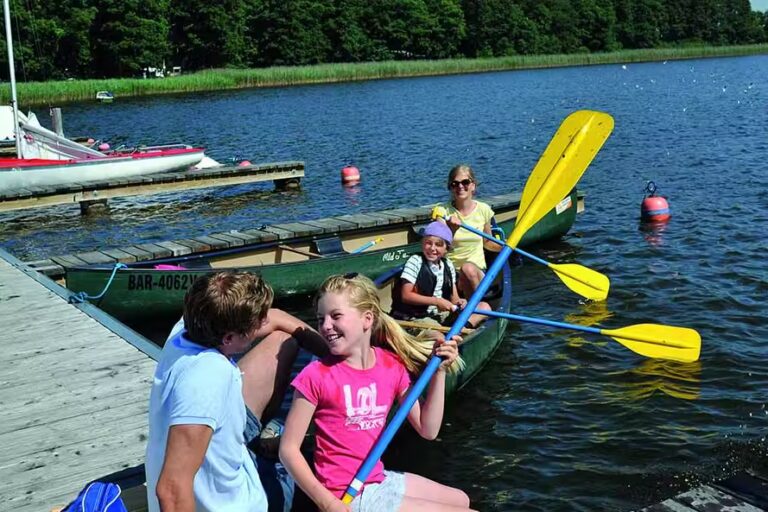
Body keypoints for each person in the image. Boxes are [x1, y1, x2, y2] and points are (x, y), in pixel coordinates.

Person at [279, 273, 476, 512]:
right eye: (321, 319)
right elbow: (288, 450)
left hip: (376, 478)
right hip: (346, 493)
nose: (326, 326)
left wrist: (439, 372)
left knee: (461, 499)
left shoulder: (391, 366)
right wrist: (327, 503)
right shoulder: (316, 375)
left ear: (367, 319)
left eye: (336, 316)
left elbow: (428, 429)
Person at [145, 271, 328, 512]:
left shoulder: (187, 327)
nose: (263, 324)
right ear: (229, 338)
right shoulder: (208, 377)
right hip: (236, 503)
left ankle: (260, 445)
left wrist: (336, 360)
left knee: (283, 339)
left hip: (220, 444)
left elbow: (275, 318)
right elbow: (171, 490)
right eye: (255, 325)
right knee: (319, 476)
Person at [391, 220, 490, 329]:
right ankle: (454, 332)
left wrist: (460, 302)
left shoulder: (448, 264)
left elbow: (454, 298)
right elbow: (406, 296)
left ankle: (460, 329)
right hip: (416, 317)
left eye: (438, 244)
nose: (432, 248)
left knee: (484, 307)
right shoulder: (415, 261)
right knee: (436, 333)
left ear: (446, 249)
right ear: (422, 244)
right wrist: (437, 301)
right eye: (428, 243)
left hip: (439, 315)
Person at [438, 164, 500, 296]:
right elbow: (439, 249)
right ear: (450, 187)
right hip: (451, 273)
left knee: (468, 269)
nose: (460, 186)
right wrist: (452, 231)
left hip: (476, 271)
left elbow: (488, 243)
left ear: (473, 185)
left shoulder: (484, 210)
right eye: (455, 184)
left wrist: (507, 247)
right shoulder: (442, 212)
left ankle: (476, 302)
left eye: (465, 182)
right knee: (465, 269)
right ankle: (477, 304)